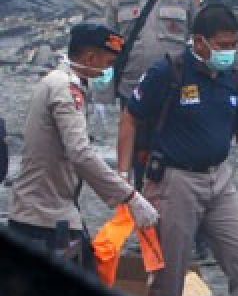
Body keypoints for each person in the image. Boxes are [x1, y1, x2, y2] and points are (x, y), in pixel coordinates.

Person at [118, 3, 238, 296]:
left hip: (220, 181)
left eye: (234, 43)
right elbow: (131, 118)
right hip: (174, 183)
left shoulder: (232, 78)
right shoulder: (169, 73)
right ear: (199, 42)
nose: (229, 51)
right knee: (169, 274)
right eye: (223, 44)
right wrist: (122, 176)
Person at [8, 23, 158, 261]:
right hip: (45, 218)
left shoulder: (60, 82)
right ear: (90, 57)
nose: (107, 72)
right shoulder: (65, 89)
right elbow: (80, 153)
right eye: (107, 64)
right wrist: (129, 196)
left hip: (50, 209)